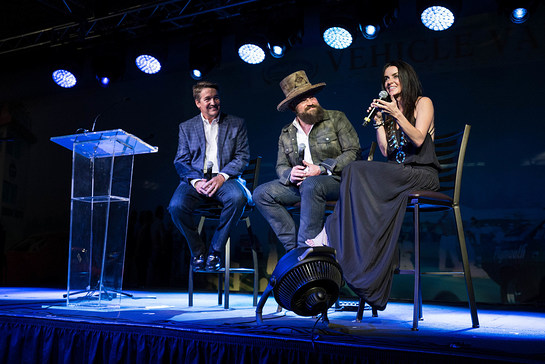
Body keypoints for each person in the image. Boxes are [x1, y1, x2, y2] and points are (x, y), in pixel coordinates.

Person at [308, 60, 440, 311]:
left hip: (422, 174)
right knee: (354, 169)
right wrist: (380, 121)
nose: (389, 81)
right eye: (386, 78)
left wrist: (397, 114)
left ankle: (330, 233)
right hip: (400, 172)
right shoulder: (392, 111)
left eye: (394, 76)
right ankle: (353, 254)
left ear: (407, 78)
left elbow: (419, 139)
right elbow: (387, 151)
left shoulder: (423, 102)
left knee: (356, 169)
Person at [254, 70, 361, 252]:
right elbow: (281, 166)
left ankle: (307, 250)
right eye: (304, 100)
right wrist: (290, 174)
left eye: (312, 97)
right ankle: (293, 249)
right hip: (301, 186)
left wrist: (321, 169)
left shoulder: (336, 118)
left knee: (312, 184)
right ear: (293, 107)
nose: (311, 102)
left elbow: (353, 152)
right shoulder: (286, 132)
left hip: (336, 181)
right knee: (260, 193)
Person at [168, 81, 250, 272]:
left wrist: (222, 177)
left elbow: (242, 157)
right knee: (176, 207)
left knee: (238, 198)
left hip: (225, 179)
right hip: (196, 180)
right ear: (198, 103)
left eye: (216, 97)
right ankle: (198, 252)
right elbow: (180, 160)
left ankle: (215, 251)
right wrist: (196, 181)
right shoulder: (186, 127)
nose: (213, 102)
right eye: (208, 99)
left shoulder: (236, 124)